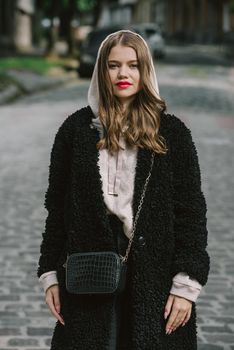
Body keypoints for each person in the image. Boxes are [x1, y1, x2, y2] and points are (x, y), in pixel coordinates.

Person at [37, 30, 210, 349]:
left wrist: (186, 284)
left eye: (133, 65)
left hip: (154, 270)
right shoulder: (75, 131)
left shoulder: (172, 133)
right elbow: (56, 209)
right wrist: (49, 272)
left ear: (146, 70)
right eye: (113, 65)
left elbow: (191, 214)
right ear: (101, 70)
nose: (123, 74)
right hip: (89, 267)